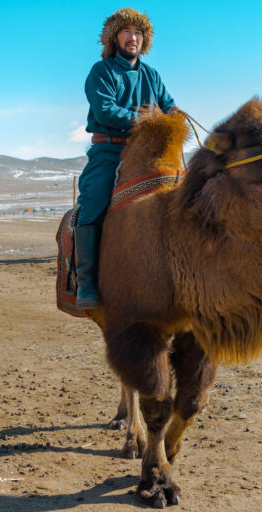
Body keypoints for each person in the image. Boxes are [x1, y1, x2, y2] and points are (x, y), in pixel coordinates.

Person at [75, 7, 179, 308]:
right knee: (93, 203)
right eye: (126, 31)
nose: (133, 37)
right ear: (115, 37)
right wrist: (145, 119)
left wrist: (174, 115)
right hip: (110, 150)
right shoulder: (101, 72)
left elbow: (168, 104)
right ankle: (86, 282)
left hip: (148, 151)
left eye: (138, 32)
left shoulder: (152, 75)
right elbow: (106, 110)